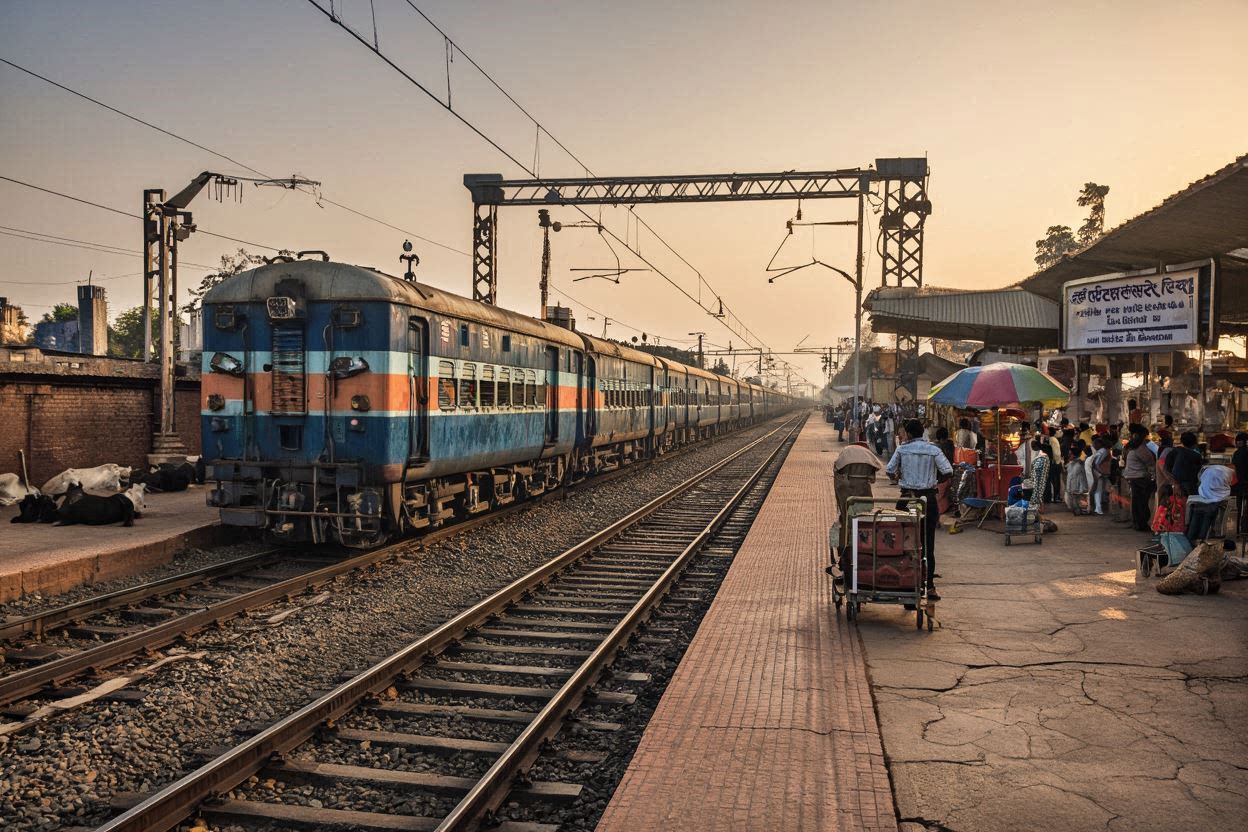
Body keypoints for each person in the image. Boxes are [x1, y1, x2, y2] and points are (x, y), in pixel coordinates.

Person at [886, 419, 954, 601]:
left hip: (907, 499)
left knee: (903, 543)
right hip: (927, 500)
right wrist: (934, 480)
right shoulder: (933, 449)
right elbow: (948, 471)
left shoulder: (902, 449)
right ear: (922, 432)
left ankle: (906, 583)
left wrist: (899, 475)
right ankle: (929, 587)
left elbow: (889, 470)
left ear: (908, 434)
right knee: (928, 544)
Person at [1186, 464, 1234, 542]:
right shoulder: (1222, 488)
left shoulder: (1204, 487)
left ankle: (1192, 540)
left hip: (1201, 505)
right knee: (1207, 515)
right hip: (1210, 507)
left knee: (1199, 515)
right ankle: (1200, 540)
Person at [1122, 429, 1157, 532]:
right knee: (1142, 502)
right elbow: (1150, 463)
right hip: (1140, 478)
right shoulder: (1141, 449)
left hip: (1133, 477)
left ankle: (1137, 523)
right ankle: (1141, 523)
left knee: (1137, 501)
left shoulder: (1133, 448)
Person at [1164, 432, 1203, 497]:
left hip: (1173, 487)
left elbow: (1166, 469)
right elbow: (1199, 473)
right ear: (1195, 442)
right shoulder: (1196, 456)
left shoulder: (1174, 451)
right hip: (1189, 488)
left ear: (1181, 441)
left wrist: (1175, 483)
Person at [1087, 436, 1110, 515]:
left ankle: (1098, 509)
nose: (1094, 445)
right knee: (1099, 490)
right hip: (1100, 473)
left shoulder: (1102, 451)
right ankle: (1098, 508)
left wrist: (1100, 471)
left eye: (1095, 444)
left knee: (1098, 490)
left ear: (1099, 444)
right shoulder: (1103, 451)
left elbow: (1096, 463)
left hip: (1098, 473)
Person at [1064, 446, 1089, 514]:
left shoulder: (1079, 465)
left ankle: (1080, 510)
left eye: (1070, 454)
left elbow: (1082, 478)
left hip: (1076, 488)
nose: (1069, 455)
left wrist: (1081, 489)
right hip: (1071, 488)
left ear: (1074, 455)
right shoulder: (1071, 464)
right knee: (1072, 504)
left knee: (1076, 504)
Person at [1232, 432, 1248, 537]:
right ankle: (1245, 530)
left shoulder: (1237, 453)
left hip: (1238, 485)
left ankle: (1236, 530)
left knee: (1237, 508)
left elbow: (1233, 469)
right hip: (1246, 484)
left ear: (1240, 442)